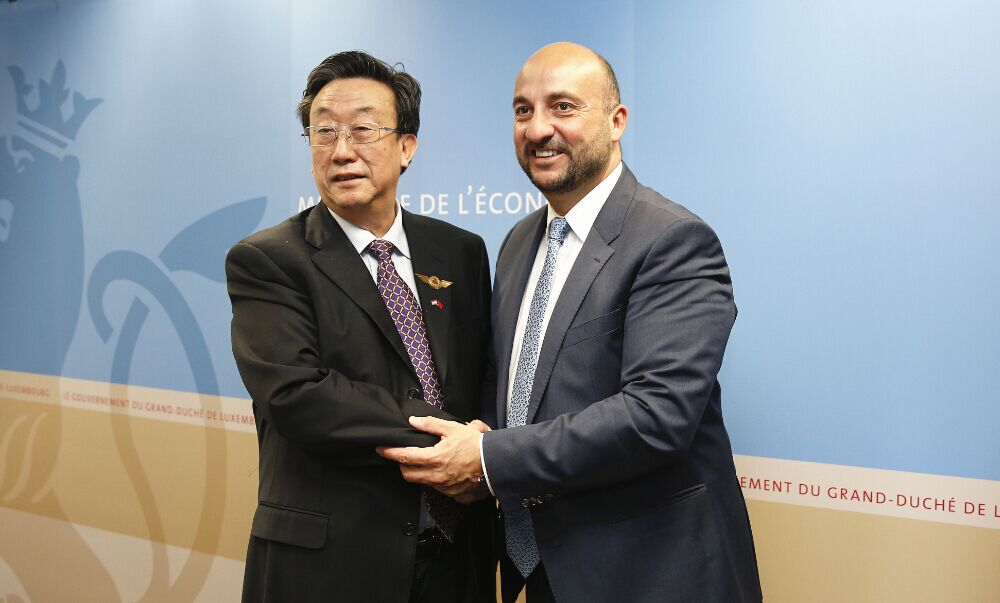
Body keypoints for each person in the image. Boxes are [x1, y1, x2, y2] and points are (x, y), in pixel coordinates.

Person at [379, 42, 762, 602]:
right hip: (544, 569)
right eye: (523, 110)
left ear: (616, 121)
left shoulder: (672, 240)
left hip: (648, 572)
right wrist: (475, 440)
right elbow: (509, 386)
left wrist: (487, 459)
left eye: (563, 107)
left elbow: (656, 415)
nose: (538, 129)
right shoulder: (518, 242)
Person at [226, 50, 494, 603]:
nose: (341, 151)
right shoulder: (270, 259)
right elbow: (298, 394)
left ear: (406, 146)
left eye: (363, 130)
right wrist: (456, 442)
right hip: (331, 567)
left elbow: (482, 375)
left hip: (454, 561)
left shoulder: (459, 251)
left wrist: (491, 456)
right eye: (324, 132)